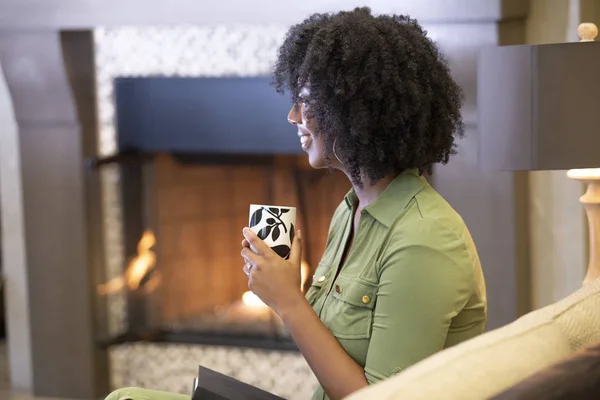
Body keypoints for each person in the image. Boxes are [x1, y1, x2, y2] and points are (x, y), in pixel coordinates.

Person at [106, 7, 486, 400]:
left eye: (306, 103)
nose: (292, 117)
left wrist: (288, 301)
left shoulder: (424, 240)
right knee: (126, 398)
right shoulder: (351, 209)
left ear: (356, 110)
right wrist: (287, 289)